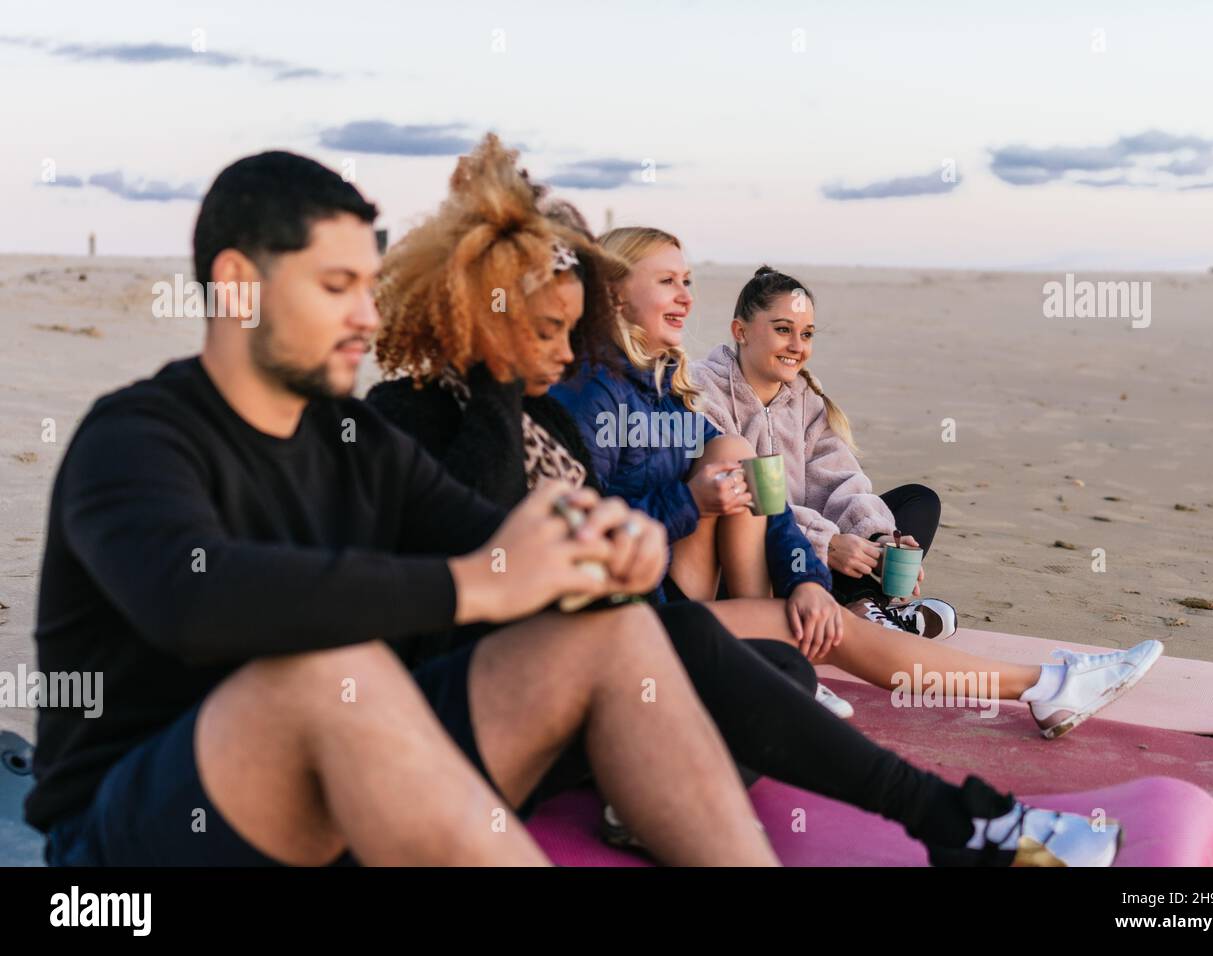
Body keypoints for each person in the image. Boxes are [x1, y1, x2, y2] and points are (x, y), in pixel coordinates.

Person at [366, 135, 1127, 865]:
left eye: (573, 328)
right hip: (490, 698)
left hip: (609, 649)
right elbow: (494, 556)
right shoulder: (447, 416)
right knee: (713, 645)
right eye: (545, 330)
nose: (565, 351)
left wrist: (800, 568)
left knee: (781, 664)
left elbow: (765, 499)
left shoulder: (643, 398)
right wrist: (668, 514)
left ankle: (934, 810)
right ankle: (969, 810)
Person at [26, 149, 778, 867]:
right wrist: (477, 582)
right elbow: (193, 603)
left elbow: (492, 535)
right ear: (236, 283)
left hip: (342, 797)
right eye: (334, 286)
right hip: (132, 836)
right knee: (327, 673)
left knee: (610, 633)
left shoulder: (354, 439)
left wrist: (603, 546)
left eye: (368, 285)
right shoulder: (134, 438)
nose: (367, 316)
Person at [553, 226, 1164, 739]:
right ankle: (1047, 685)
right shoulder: (594, 395)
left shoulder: (666, 390)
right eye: (667, 281)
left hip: (700, 593)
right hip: (641, 620)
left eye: (688, 281)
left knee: (757, 467)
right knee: (823, 610)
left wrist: (806, 578)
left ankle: (789, 643)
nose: (685, 295)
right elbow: (580, 540)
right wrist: (694, 502)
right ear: (611, 293)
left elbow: (780, 499)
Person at [693, 265, 957, 638]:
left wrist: (877, 538)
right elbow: (744, 501)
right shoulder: (703, 393)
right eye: (783, 330)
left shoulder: (806, 401)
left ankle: (859, 607)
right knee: (767, 538)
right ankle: (868, 609)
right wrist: (825, 543)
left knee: (918, 502)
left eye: (807, 334)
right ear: (741, 332)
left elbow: (841, 480)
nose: (798, 347)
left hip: (809, 550)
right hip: (742, 562)